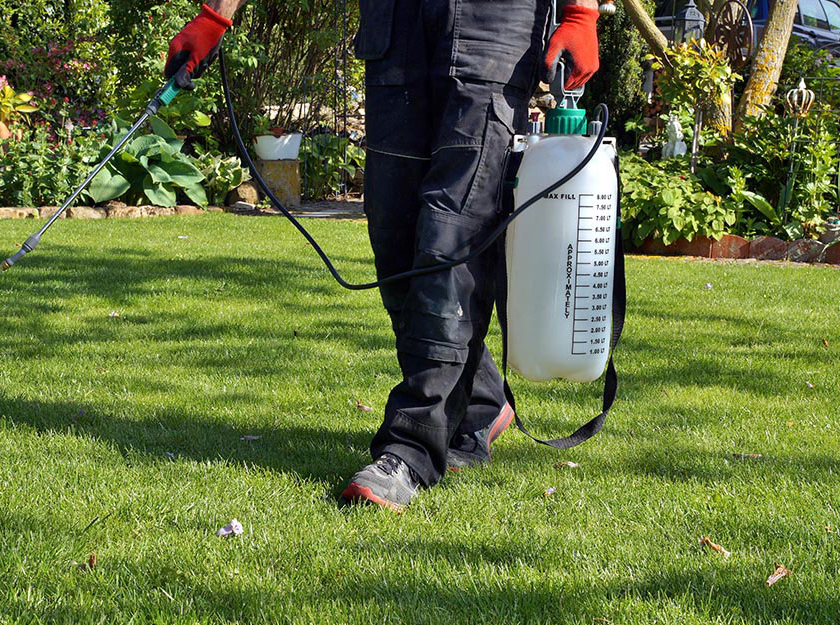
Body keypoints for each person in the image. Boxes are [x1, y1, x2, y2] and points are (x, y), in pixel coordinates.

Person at [164, 0, 601, 512]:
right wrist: (216, 15)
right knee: (395, 238)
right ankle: (481, 401)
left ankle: (410, 446)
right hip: (396, 24)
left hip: (494, 26)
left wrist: (580, 11)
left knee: (451, 230)